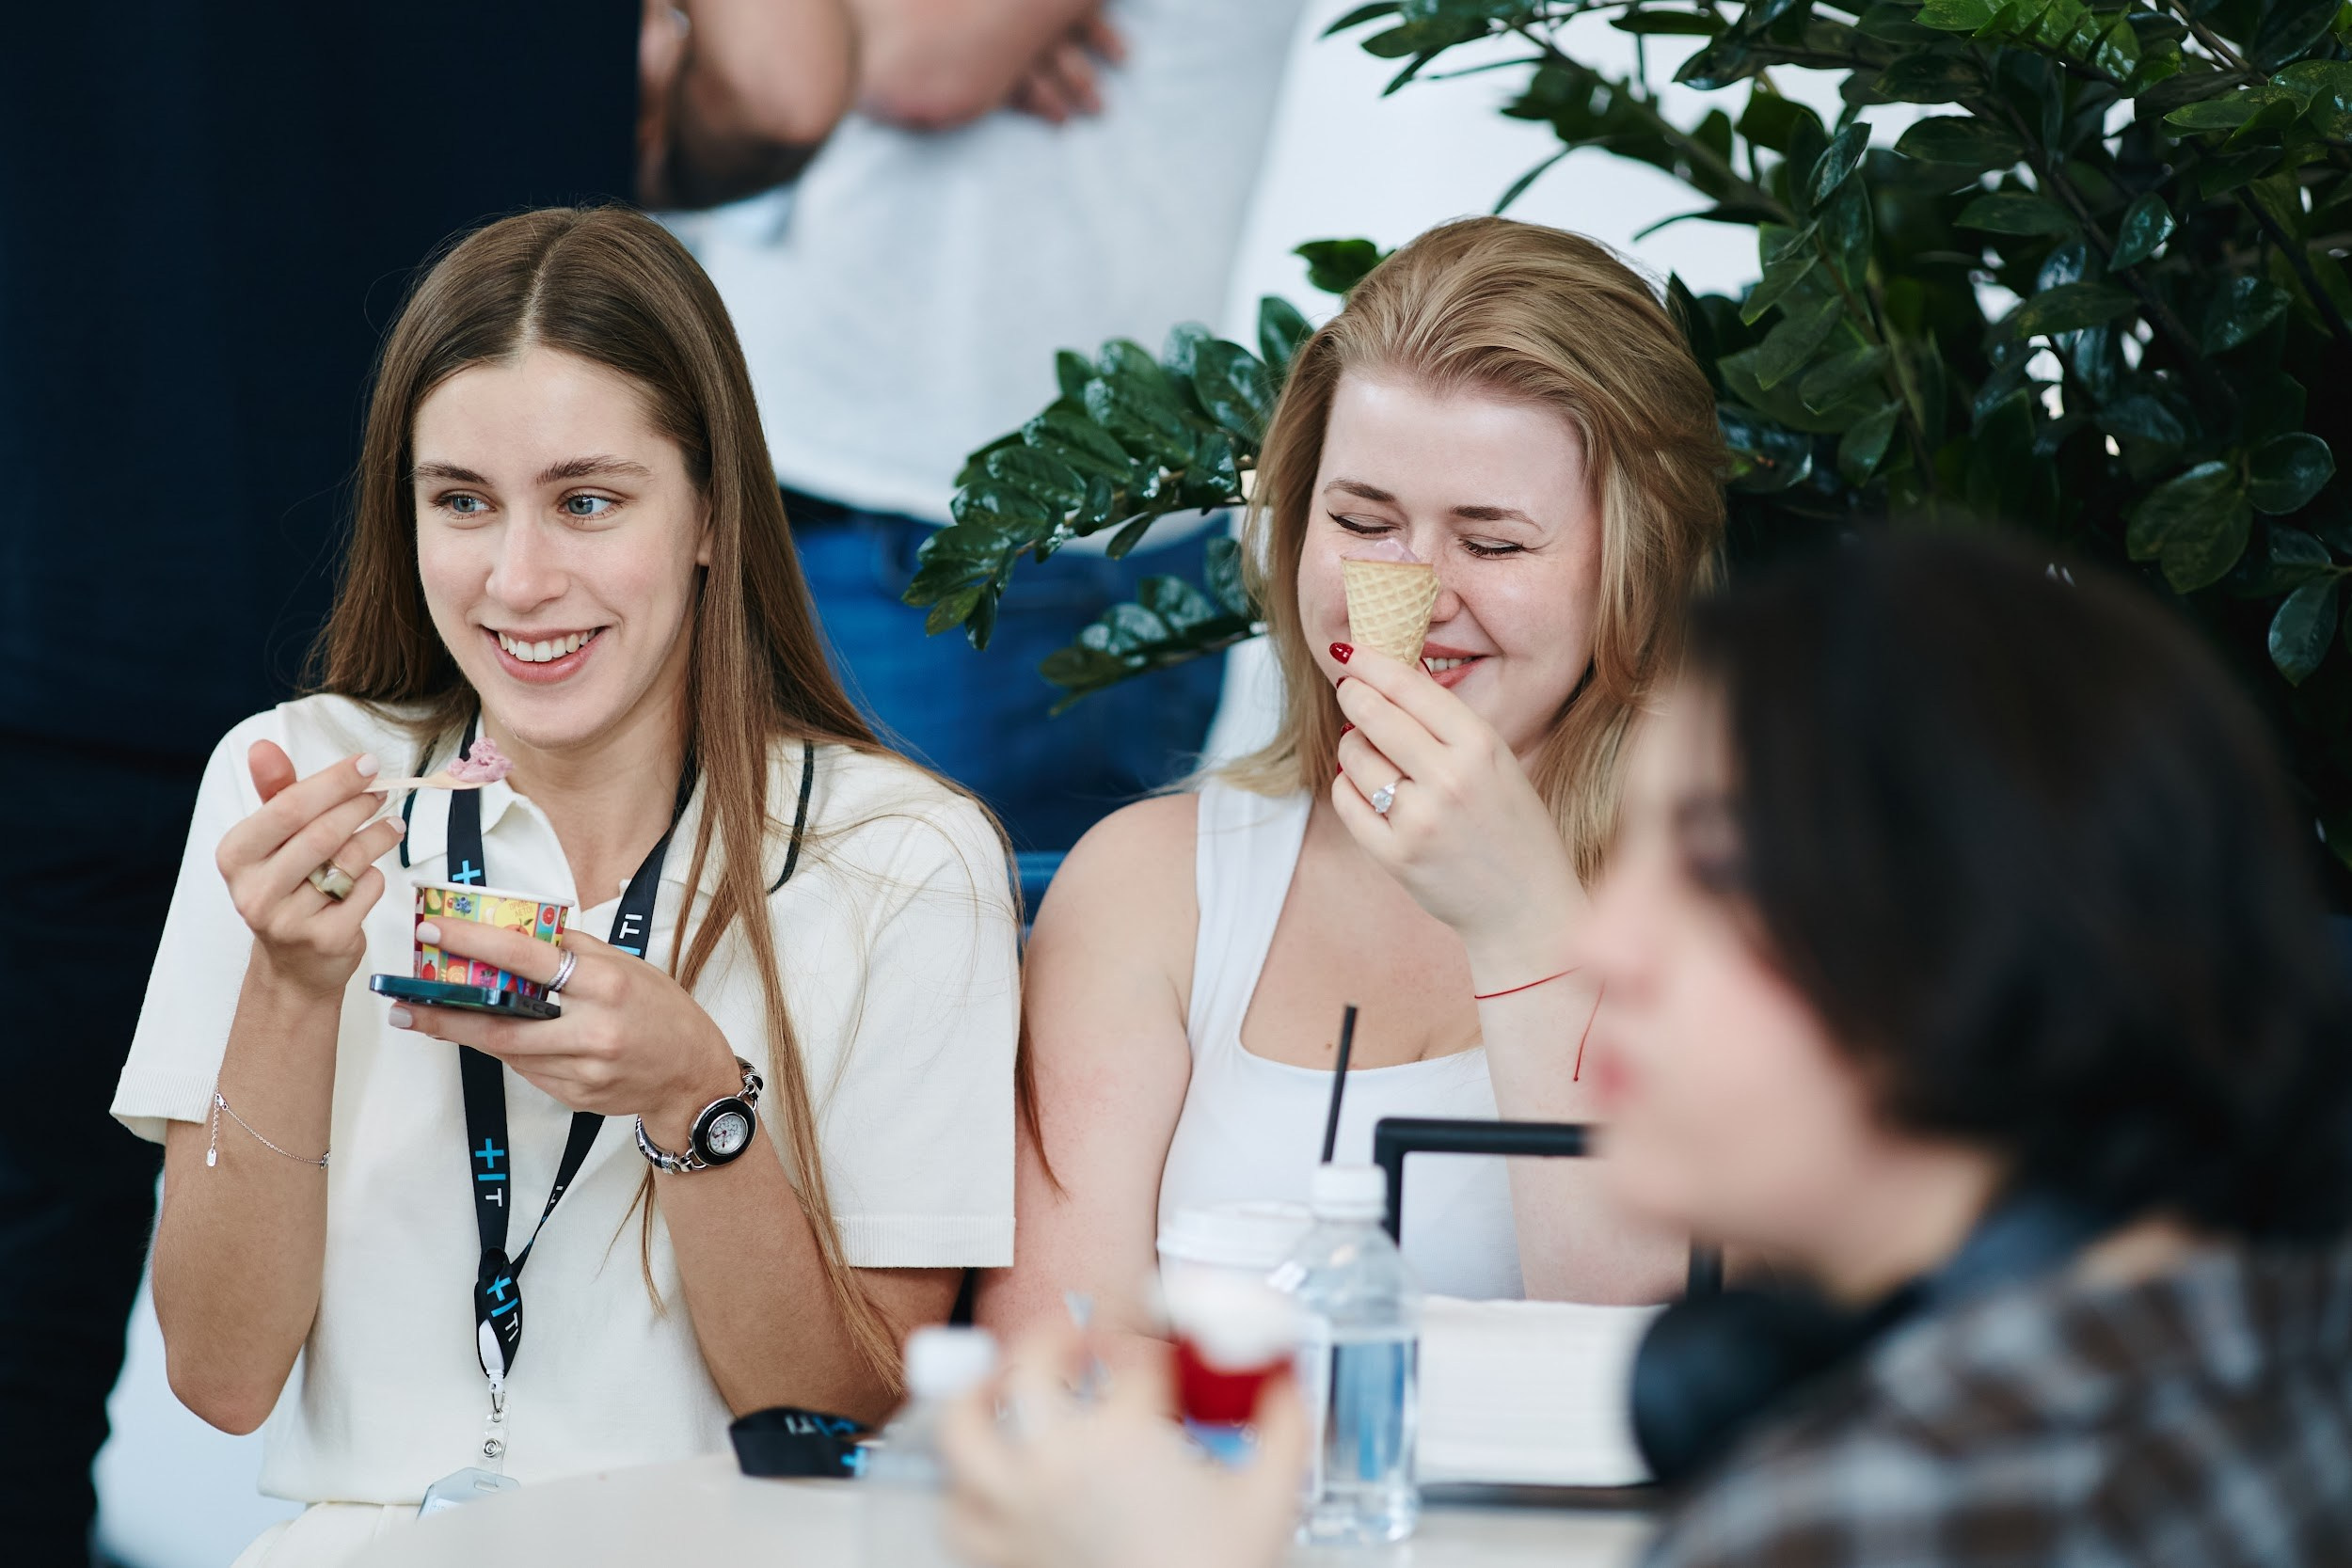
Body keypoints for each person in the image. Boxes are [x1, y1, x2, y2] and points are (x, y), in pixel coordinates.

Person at [938, 531, 2352, 1568]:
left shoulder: (1867, 1518)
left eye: (1716, 873)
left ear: (1990, 941)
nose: (1612, 947)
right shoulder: (2280, 1362)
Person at [2, 8, 849, 1558]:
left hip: (71, 569)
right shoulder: (870, 835)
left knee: (22, 1341)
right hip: (507, 616)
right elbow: (787, 79)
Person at [109, 207, 1017, 1567]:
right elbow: (222, 1376)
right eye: (461, 500)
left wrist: (695, 1100)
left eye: (588, 500)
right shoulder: (295, 776)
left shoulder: (905, 851)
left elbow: (849, 1408)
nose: (519, 579)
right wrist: (293, 987)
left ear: (713, 513)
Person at [977, 216, 1726, 1340]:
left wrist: (1523, 924)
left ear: (1634, 564)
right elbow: (1059, 1353)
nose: (1410, 591)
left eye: (1495, 542)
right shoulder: (1151, 883)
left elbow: (1642, 1344)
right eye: (1362, 519)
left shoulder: (1757, 893)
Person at [684, 0, 1309, 852]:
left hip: (986, 549)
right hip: (819, 493)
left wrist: (812, 37)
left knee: (936, 943)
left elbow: (901, 65)